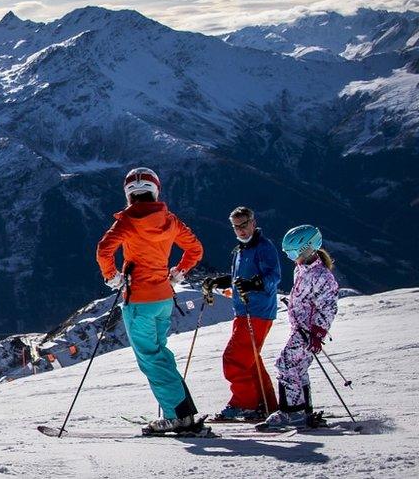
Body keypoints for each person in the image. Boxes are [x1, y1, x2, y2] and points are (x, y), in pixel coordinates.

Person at [96, 167, 204, 434]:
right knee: (161, 354)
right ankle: (183, 412)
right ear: (155, 191)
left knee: (151, 359)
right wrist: (177, 273)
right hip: (164, 298)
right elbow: (195, 249)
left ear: (128, 194)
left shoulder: (127, 221)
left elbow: (103, 250)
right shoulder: (170, 220)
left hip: (139, 301)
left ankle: (176, 417)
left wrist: (114, 277)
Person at [203, 207, 280, 421]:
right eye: (236, 226)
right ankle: (266, 404)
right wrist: (220, 281)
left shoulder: (264, 247)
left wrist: (255, 284)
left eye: (244, 224)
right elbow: (239, 278)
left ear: (253, 222)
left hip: (257, 311)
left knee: (234, 358)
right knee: (250, 360)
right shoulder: (241, 250)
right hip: (243, 311)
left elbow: (274, 275)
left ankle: (244, 403)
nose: (241, 230)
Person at [259, 225, 339, 430]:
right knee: (297, 367)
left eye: (294, 252)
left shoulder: (322, 276)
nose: (291, 257)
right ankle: (304, 409)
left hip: (308, 332)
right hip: (300, 328)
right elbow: (306, 298)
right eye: (288, 253)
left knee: (285, 364)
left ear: (308, 248)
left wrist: (317, 332)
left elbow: (328, 307)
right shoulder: (301, 269)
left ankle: (291, 413)